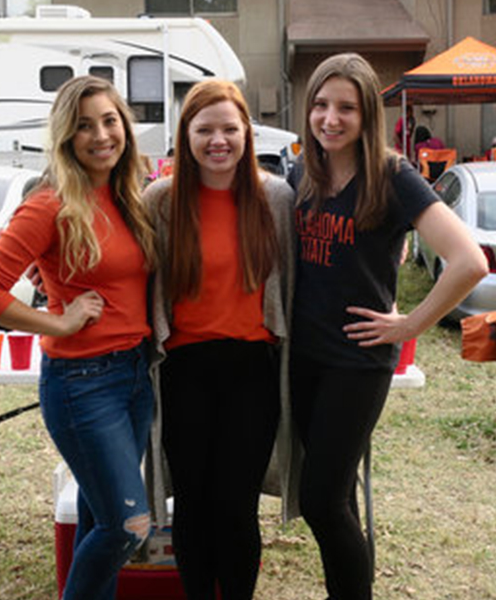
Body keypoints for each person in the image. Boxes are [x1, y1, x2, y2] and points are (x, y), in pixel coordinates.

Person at [287, 53, 488, 600]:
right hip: (303, 358)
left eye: (346, 108)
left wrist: (409, 325)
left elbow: (469, 260)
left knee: (320, 499)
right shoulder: (303, 170)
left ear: (367, 114)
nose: (330, 118)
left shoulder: (392, 174)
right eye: (321, 105)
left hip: (357, 362)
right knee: (341, 497)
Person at [0, 75, 157, 600]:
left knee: (101, 519)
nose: (100, 136)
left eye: (110, 121)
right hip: (83, 383)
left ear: (125, 126)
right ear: (66, 136)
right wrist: (58, 320)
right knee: (128, 527)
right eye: (84, 126)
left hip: (134, 377)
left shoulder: (125, 194)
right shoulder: (51, 203)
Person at [142, 79, 296, 600]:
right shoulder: (160, 201)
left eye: (230, 128)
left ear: (247, 133)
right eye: (204, 129)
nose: (218, 140)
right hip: (183, 370)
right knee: (190, 504)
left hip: (251, 371)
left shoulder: (274, 197)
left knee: (235, 505)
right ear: (185, 134)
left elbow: (297, 285)